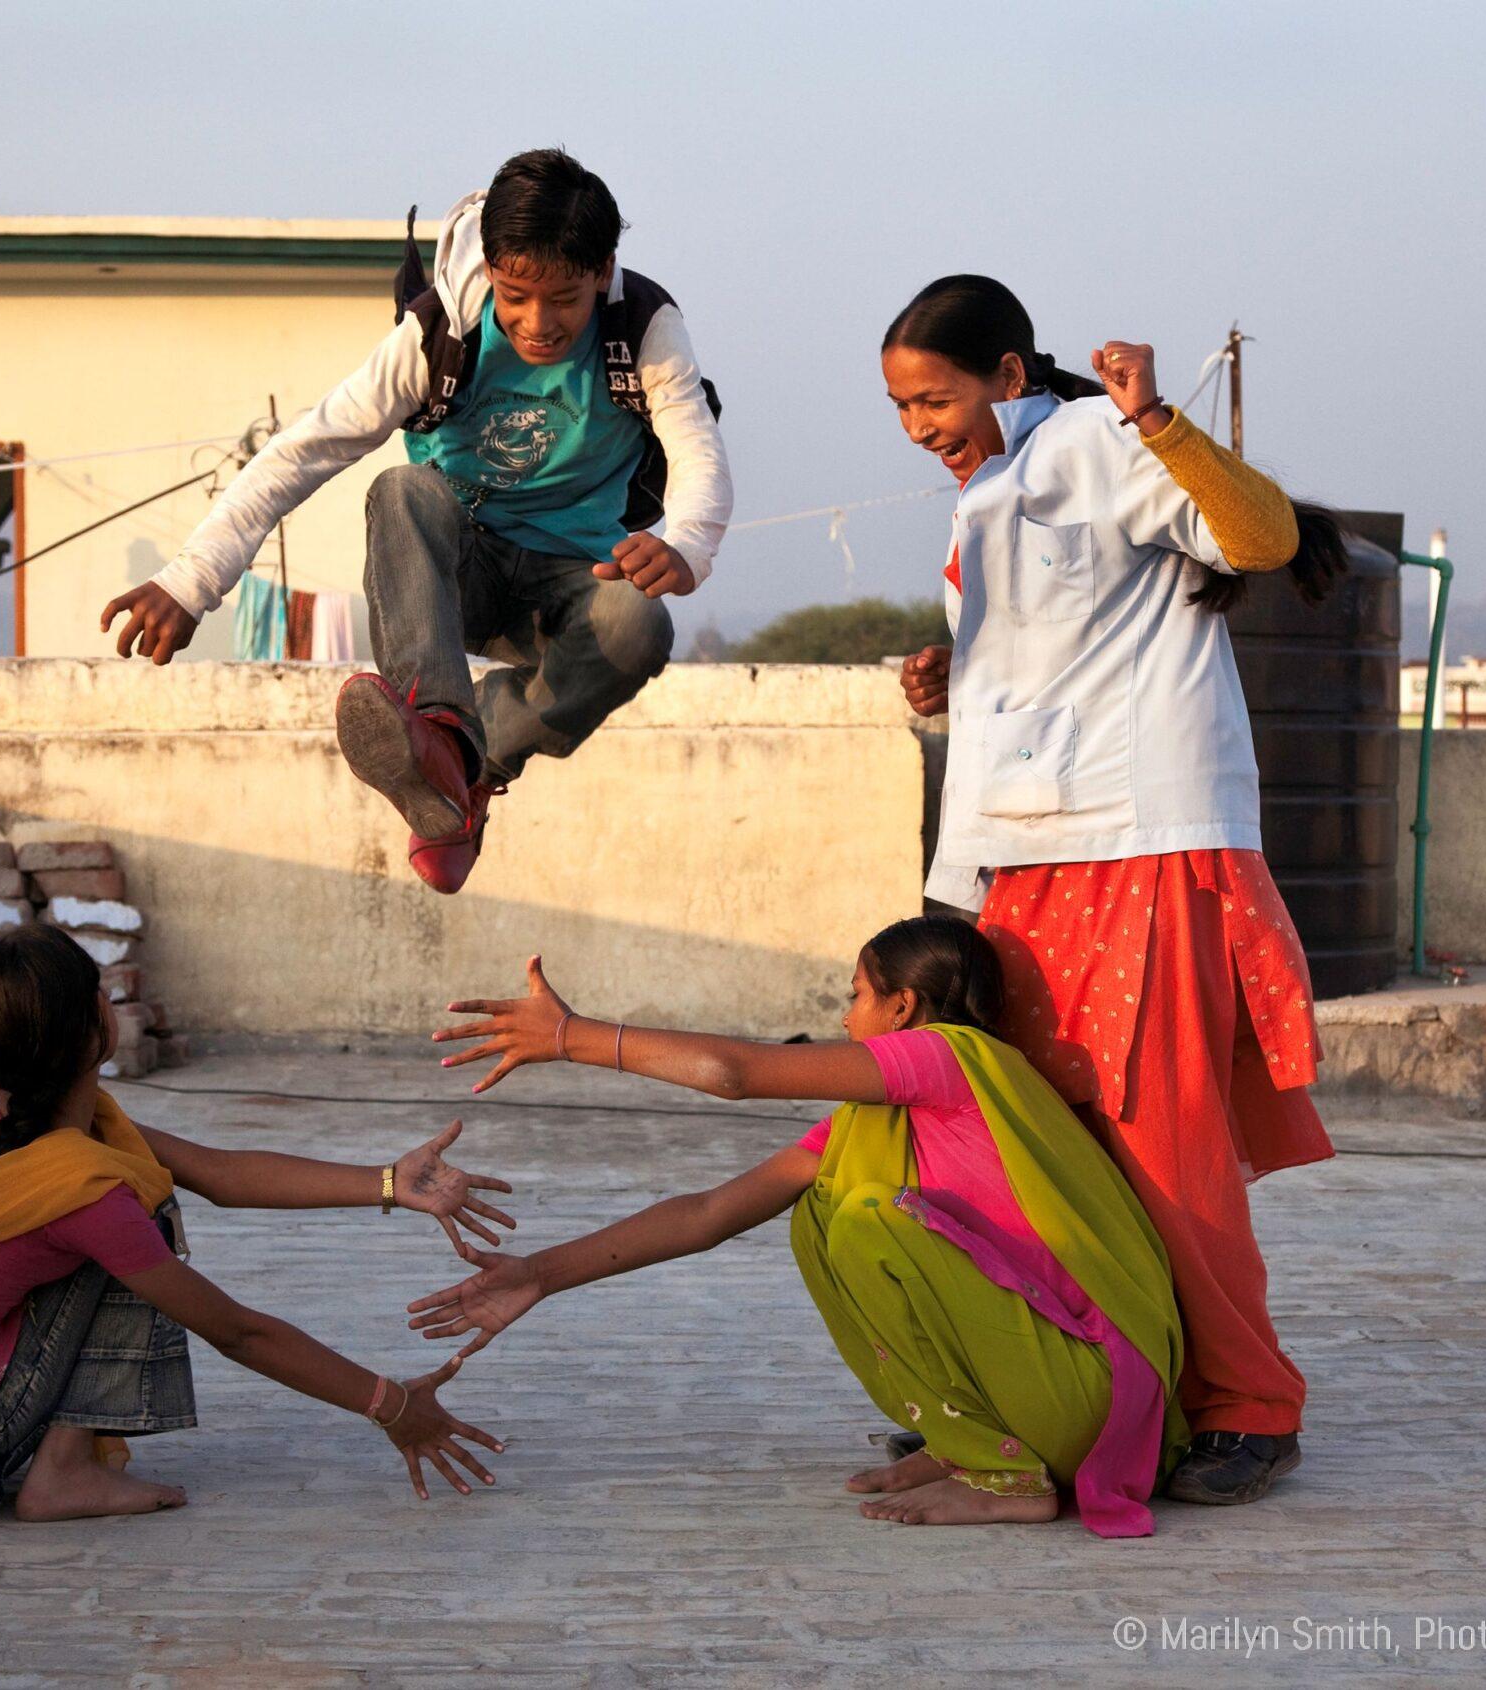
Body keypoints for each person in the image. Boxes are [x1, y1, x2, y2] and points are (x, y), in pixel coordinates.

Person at [881, 275, 1351, 1505]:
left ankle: (1249, 1407)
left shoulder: (1099, 441)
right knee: (1041, 1142)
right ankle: (1069, 1392)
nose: (919, 424)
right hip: (1024, 861)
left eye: (935, 396)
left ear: (1009, 374)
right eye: (900, 406)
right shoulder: (984, 501)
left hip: (1139, 843)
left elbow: (1264, 540)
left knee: (1164, 1143)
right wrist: (954, 675)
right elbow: (1057, 655)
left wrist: (1161, 420)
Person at [417, 921, 1186, 1536]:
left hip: (1094, 1392)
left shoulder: (946, 1059)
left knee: (864, 1219)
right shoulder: (874, 1120)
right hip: (1052, 1389)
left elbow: (737, 1075)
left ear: (903, 1010)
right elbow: (708, 1214)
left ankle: (1005, 1476)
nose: (845, 1019)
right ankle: (973, 1444)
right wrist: (540, 1274)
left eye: (855, 997)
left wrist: (571, 1036)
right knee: (822, 1215)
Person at [99, 147, 732, 894]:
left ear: (602, 270)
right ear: (491, 267)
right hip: (457, 572)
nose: (539, 323)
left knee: (641, 622)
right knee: (403, 490)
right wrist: (190, 580)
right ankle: (435, 727)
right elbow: (308, 448)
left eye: (564, 299)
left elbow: (698, 453)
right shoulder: (441, 331)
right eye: (515, 294)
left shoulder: (643, 326)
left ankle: (467, 775)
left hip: (572, 587)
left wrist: (685, 544)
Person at [0, 922, 511, 1536]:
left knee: (139, 1194)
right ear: (97, 1024)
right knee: (143, 1218)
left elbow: (217, 1171)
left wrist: (389, 1182)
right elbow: (236, 1331)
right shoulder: (79, 1184)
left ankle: (57, 1459)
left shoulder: (12, 1114)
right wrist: (390, 1405)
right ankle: (63, 1473)